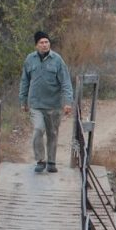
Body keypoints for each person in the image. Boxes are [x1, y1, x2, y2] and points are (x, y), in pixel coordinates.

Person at [18, 30, 73, 173]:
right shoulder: (30, 60)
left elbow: (66, 82)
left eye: (46, 42)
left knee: (52, 133)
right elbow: (24, 81)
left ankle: (52, 162)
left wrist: (68, 102)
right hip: (36, 104)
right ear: (36, 45)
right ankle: (40, 160)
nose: (44, 45)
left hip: (54, 105)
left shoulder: (57, 60)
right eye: (41, 42)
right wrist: (23, 100)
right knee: (38, 129)